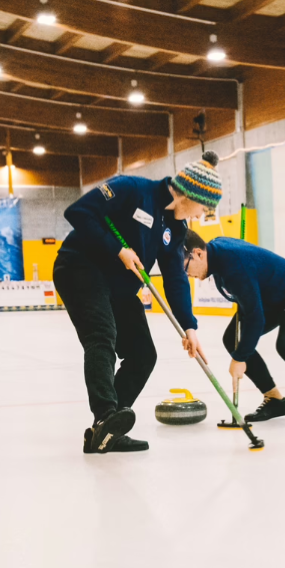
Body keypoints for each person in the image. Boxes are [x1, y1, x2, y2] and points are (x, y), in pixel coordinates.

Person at [54, 151, 222, 454]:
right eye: (202, 207)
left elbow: (175, 278)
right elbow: (77, 213)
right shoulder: (132, 188)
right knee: (101, 337)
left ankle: (105, 432)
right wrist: (118, 248)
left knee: (143, 354)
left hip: (118, 285)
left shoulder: (177, 228)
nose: (200, 215)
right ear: (190, 194)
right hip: (80, 267)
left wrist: (189, 327)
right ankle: (106, 415)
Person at [182, 230, 285, 422]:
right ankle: (275, 400)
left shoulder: (233, 266)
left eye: (185, 268)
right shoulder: (217, 256)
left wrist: (240, 359)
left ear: (199, 253)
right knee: (232, 339)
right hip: (272, 300)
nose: (188, 275)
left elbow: (255, 318)